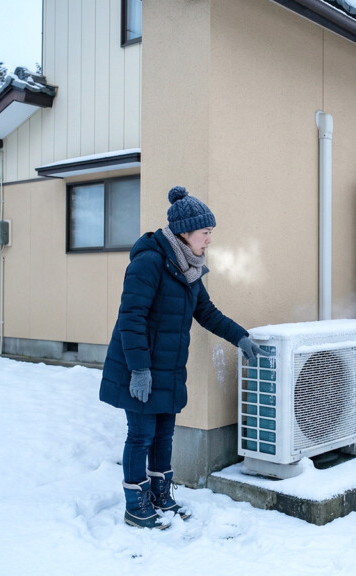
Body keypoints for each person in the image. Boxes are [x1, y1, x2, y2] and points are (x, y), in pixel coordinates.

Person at [99, 185, 271, 530]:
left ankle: (161, 496)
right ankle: (135, 505)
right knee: (140, 434)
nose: (209, 240)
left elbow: (205, 311)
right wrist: (140, 369)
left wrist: (240, 336)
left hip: (170, 366)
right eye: (206, 233)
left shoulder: (187, 266)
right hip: (142, 367)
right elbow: (131, 318)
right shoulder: (149, 262)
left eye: (210, 233)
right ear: (185, 231)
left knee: (164, 434)